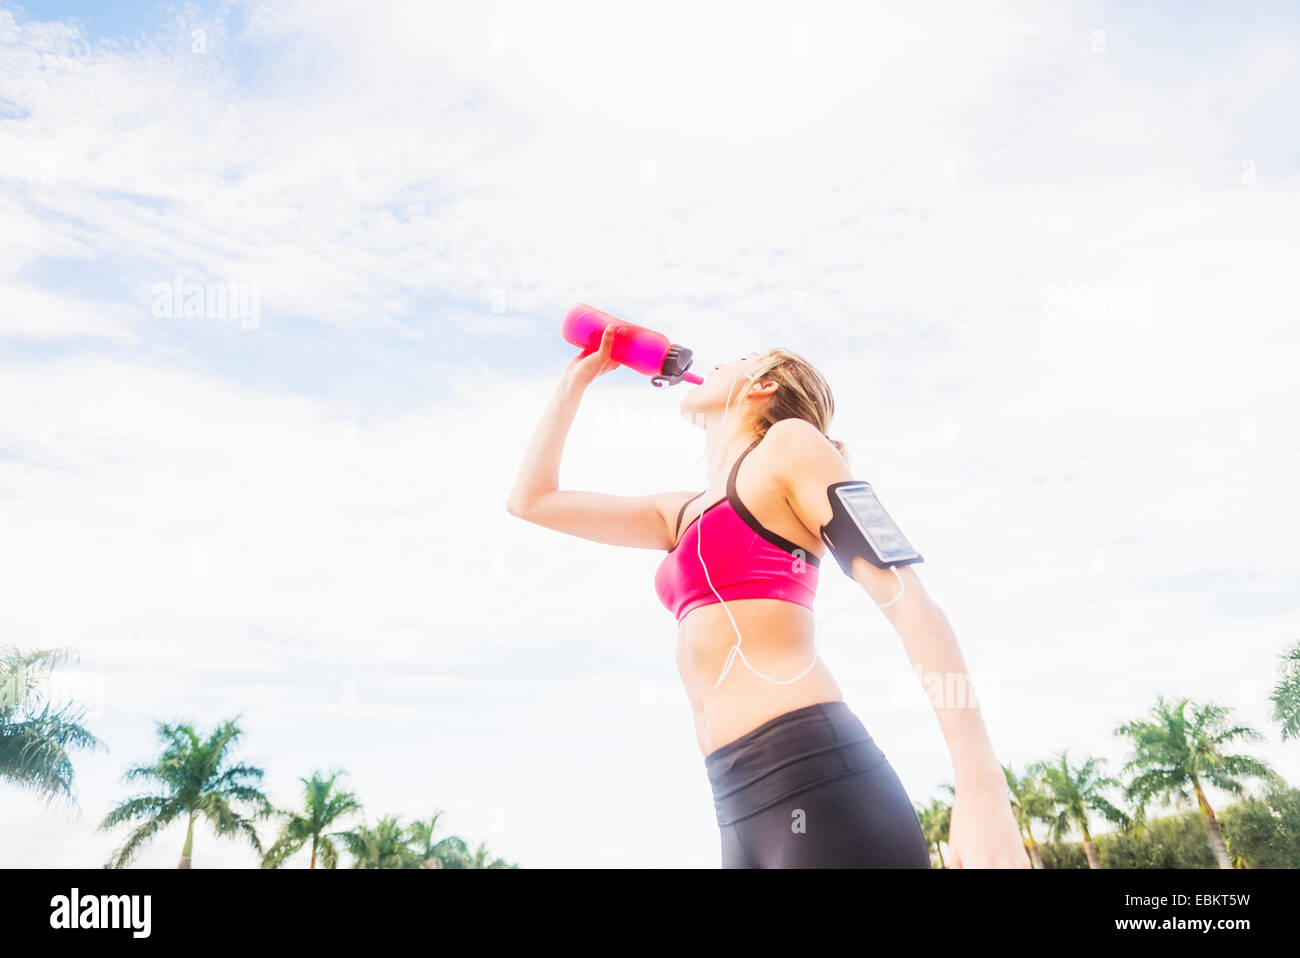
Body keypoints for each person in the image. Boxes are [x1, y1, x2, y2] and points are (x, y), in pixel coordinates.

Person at [507, 322, 1029, 868]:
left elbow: (907, 598)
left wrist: (980, 787)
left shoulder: (792, 445)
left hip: (815, 778)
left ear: (760, 387)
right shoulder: (677, 514)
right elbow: (532, 500)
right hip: (733, 803)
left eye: (739, 359)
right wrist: (577, 379)